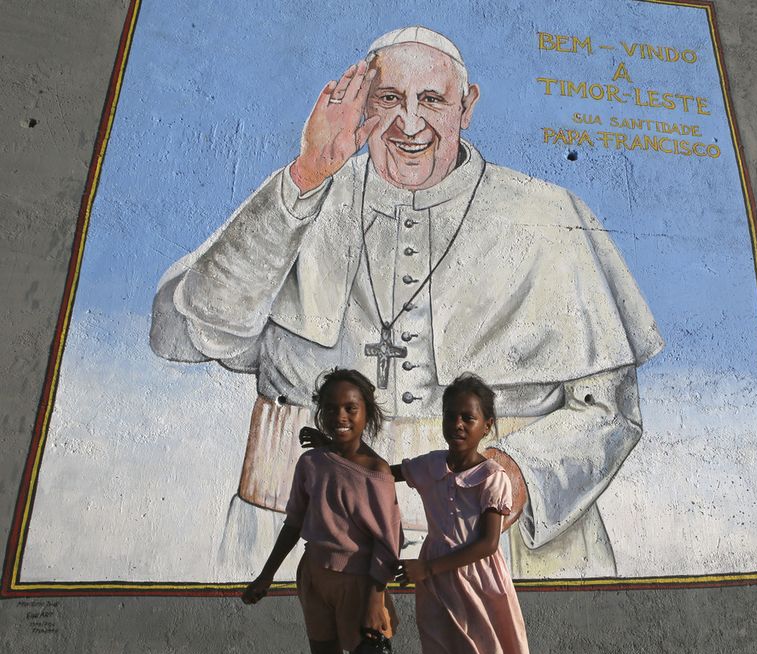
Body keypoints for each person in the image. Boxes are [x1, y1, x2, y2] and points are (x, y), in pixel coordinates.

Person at [149, 26, 664, 579]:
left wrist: (519, 475)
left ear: (467, 107)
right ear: (360, 105)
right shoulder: (302, 195)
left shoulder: (549, 218)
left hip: (502, 545)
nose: (409, 124)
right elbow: (191, 333)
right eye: (388, 100)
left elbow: (608, 411)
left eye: (432, 100)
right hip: (300, 535)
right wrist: (306, 176)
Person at [241, 368, 401, 654]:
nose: (340, 415)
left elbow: (388, 544)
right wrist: (266, 574)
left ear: (367, 413)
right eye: (330, 408)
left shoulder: (376, 473)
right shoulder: (311, 464)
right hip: (314, 577)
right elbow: (294, 523)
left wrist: (374, 601)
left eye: (350, 408)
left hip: (358, 584)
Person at [398, 373, 532, 654]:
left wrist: (426, 569)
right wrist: (340, 449)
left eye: (467, 417)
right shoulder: (430, 466)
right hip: (436, 585)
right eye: (450, 415)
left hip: (477, 582)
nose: (457, 423)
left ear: (486, 425)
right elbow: (383, 473)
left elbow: (488, 544)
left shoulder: (491, 477)